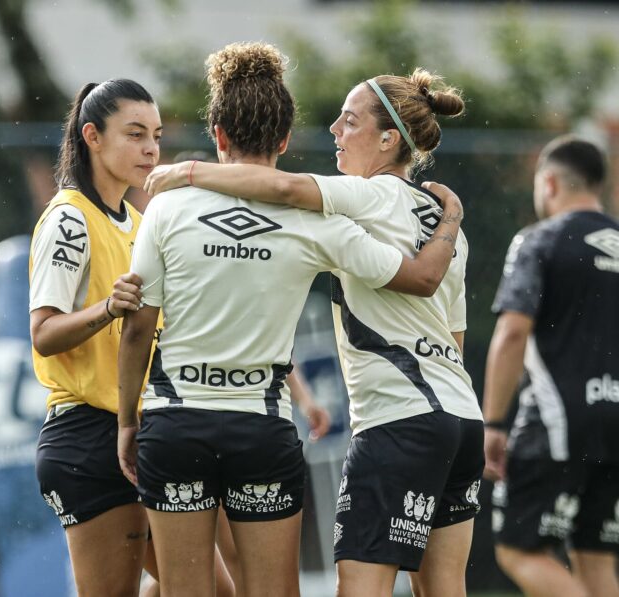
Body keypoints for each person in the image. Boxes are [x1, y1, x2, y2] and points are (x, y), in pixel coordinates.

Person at [118, 43, 466, 597]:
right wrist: (450, 217)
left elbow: (138, 324)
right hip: (268, 425)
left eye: (347, 122)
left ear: (217, 133)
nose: (335, 131)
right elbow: (421, 279)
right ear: (284, 140)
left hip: (176, 421)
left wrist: (125, 419)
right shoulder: (320, 224)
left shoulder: (166, 205)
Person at [29, 79, 162, 596]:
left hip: (138, 434)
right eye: (134, 134)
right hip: (89, 437)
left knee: (206, 586)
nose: (150, 148)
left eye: (154, 134)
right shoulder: (69, 219)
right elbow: (43, 333)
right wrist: (108, 308)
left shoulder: (138, 221)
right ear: (93, 137)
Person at [482, 136, 619, 597]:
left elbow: (513, 334)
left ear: (550, 182)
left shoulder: (540, 240)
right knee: (595, 557)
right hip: (616, 424)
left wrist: (494, 422)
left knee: (520, 550)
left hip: (558, 422)